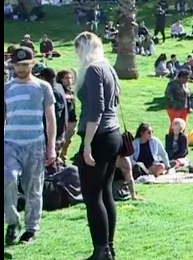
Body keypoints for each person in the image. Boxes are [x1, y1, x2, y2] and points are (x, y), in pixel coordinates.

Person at [73, 32, 124, 260]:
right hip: (113, 133)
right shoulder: (109, 68)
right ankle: (108, 247)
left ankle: (100, 250)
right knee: (105, 192)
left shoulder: (93, 70)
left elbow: (96, 109)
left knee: (92, 196)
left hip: (99, 135)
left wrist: (87, 144)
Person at [4, 47, 57, 245]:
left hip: (35, 143)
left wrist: (51, 147)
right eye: (18, 65)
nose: (21, 68)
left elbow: (50, 120)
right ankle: (12, 221)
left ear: (32, 64)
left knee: (33, 188)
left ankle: (31, 228)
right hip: (10, 142)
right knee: (7, 178)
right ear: (13, 65)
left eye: (25, 64)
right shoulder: (6, 88)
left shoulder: (43, 87)